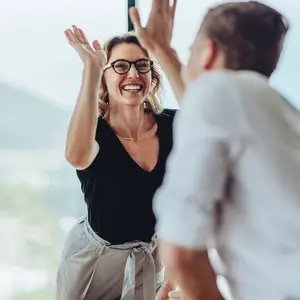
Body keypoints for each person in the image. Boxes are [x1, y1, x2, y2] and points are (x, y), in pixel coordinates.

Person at [130, 1, 297, 300]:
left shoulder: (217, 93)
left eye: (191, 48)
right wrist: (162, 51)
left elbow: (179, 250)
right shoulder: (277, 110)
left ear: (208, 53)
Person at [56, 25, 178, 300]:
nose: (133, 74)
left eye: (141, 65)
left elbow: (183, 205)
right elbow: (76, 157)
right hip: (92, 263)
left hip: (148, 258)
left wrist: (170, 282)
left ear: (152, 75)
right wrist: (91, 67)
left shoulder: (175, 125)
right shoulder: (93, 132)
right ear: (104, 78)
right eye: (120, 66)